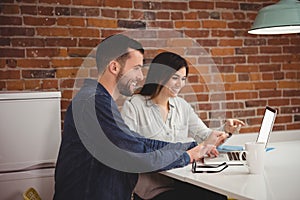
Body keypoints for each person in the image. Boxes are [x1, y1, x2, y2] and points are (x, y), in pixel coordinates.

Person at [53, 34, 228, 200]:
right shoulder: (94, 102)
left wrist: (192, 148)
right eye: (136, 68)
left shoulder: (98, 100)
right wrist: (187, 156)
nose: (141, 76)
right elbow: (135, 155)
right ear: (114, 67)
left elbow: (140, 143)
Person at [121, 51, 245, 200]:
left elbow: (204, 136)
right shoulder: (134, 106)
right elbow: (128, 150)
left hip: (184, 179)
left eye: (183, 79)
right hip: (153, 189)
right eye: (174, 78)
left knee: (218, 196)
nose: (180, 84)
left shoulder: (182, 106)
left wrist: (225, 130)